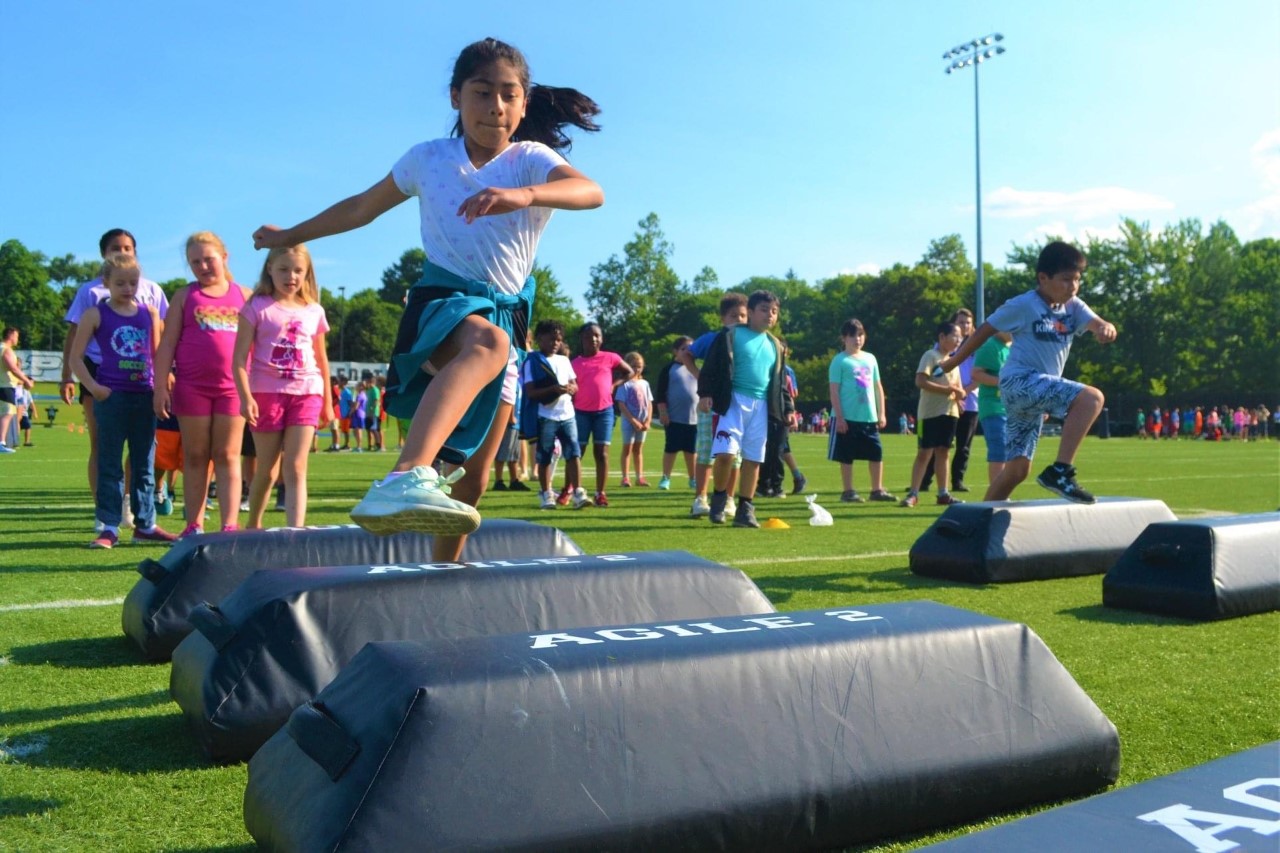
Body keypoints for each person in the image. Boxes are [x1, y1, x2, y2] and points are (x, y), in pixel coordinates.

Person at [254, 38, 602, 556]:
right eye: (482, 93)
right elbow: (360, 208)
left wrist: (524, 195)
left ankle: (443, 574)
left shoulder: (530, 160)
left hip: (508, 320)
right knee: (485, 343)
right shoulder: (429, 159)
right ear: (455, 97)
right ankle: (404, 474)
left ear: (524, 103)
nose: (496, 107)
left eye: (509, 95)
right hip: (445, 303)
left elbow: (589, 191)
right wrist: (289, 236)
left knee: (474, 478)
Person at [939, 240, 1118, 503]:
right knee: (1092, 399)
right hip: (1018, 381)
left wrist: (1105, 328)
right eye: (1066, 280)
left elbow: (1098, 322)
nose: (1073, 286)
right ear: (1043, 278)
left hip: (1032, 394)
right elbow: (985, 329)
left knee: (1017, 469)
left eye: (1077, 280)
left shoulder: (1074, 307)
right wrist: (954, 361)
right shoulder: (1025, 304)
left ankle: (978, 521)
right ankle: (1061, 471)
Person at [60, 229, 170, 522]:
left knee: (144, 457)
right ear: (106, 279)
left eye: (132, 282)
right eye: (120, 283)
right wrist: (88, 385)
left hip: (142, 388)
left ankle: (142, 517)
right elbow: (75, 347)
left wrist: (163, 382)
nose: (128, 287)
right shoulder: (93, 301)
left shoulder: (150, 303)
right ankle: (106, 515)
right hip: (105, 382)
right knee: (105, 451)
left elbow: (161, 348)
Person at [153, 231, 251, 536]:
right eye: (195, 262)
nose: (203, 266)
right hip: (191, 388)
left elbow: (259, 346)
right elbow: (167, 345)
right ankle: (193, 525)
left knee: (227, 455)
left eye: (208, 259)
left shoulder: (245, 296)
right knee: (195, 456)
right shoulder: (185, 296)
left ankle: (229, 526)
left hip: (232, 389)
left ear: (224, 257)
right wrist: (159, 388)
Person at [232, 244, 333, 528]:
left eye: (298, 270)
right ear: (270, 269)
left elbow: (322, 359)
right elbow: (239, 359)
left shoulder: (314, 310)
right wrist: (245, 397)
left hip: (307, 392)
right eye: (284, 269)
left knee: (297, 465)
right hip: (267, 393)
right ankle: (254, 523)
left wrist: (327, 402)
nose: (291, 276)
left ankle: (295, 532)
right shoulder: (256, 307)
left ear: (307, 273)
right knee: (267, 468)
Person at [697, 290, 786, 528]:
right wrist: (705, 394)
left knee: (753, 459)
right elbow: (711, 367)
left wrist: (787, 410)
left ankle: (745, 508)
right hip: (733, 403)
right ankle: (719, 499)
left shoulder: (775, 345)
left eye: (775, 311)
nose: (770, 315)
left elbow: (779, 383)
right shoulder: (731, 334)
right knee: (725, 455)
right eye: (765, 310)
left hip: (761, 407)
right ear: (752, 312)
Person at [680, 292, 748, 517]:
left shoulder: (749, 340)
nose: (739, 320)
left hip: (737, 404)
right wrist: (700, 376)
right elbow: (687, 355)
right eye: (733, 315)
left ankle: (729, 498)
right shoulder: (712, 338)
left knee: (734, 454)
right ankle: (700, 497)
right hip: (711, 403)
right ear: (723, 318)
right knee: (707, 451)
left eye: (743, 315)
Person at [522, 320, 590, 509]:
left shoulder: (564, 360)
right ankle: (546, 494)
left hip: (567, 414)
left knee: (573, 453)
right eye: (551, 339)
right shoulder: (532, 361)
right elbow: (531, 392)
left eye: (559, 340)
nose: (555, 343)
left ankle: (578, 492)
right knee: (545, 455)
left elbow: (575, 384)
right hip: (546, 415)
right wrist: (554, 389)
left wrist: (570, 388)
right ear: (540, 339)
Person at [827, 318, 895, 503]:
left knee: (876, 452)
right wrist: (839, 417)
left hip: (868, 417)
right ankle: (848, 491)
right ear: (844, 338)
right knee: (847, 455)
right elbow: (834, 390)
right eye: (852, 335)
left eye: (860, 335)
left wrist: (881, 412)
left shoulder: (870, 358)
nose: (857, 339)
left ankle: (877, 490)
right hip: (847, 417)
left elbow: (877, 386)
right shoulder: (839, 361)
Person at [900, 322, 965, 508]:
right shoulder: (930, 356)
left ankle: (943, 493)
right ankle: (913, 493)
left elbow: (957, 388)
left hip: (950, 413)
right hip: (929, 414)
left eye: (960, 337)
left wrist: (960, 396)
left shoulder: (955, 361)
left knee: (943, 453)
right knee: (924, 453)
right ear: (942, 337)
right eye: (955, 336)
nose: (959, 341)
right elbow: (920, 380)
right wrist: (948, 390)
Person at [571, 322, 631, 506]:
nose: (593, 339)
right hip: (580, 412)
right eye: (589, 336)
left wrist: (614, 385)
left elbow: (628, 371)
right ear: (582, 339)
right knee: (577, 453)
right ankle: (575, 491)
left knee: (602, 453)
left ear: (602, 338)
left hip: (604, 411)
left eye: (597, 336)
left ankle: (600, 493)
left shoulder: (610, 357)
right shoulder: (575, 362)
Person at [758, 340, 805, 498]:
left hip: (781, 412)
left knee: (780, 449)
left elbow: (791, 393)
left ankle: (779, 483)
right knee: (773, 449)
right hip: (766, 411)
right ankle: (765, 484)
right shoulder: (764, 365)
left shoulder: (786, 370)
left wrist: (790, 412)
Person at [654, 336, 698, 491]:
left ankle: (693, 479)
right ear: (675, 351)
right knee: (671, 449)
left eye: (690, 349)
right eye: (684, 349)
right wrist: (663, 412)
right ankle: (666, 477)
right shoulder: (668, 369)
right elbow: (660, 394)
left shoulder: (695, 368)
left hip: (694, 418)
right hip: (674, 418)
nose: (687, 352)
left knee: (691, 450)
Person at [972, 329, 1013, 486]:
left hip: (1010, 408)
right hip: (993, 407)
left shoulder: (1012, 348)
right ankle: (997, 495)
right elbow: (976, 374)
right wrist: (1002, 382)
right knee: (999, 451)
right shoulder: (990, 346)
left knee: (1011, 453)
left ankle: (1002, 492)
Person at [615, 351, 653, 487]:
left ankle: (639, 477)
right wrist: (633, 420)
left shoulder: (645, 383)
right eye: (634, 366)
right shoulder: (624, 384)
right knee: (628, 448)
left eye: (640, 366)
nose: (637, 369)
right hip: (629, 422)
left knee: (638, 449)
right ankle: (625, 477)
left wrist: (648, 420)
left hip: (642, 422)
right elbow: (621, 404)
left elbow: (649, 403)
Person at [0, 327, 35, 453]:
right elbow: (13, 368)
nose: (17, 339)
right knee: (7, 413)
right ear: (10, 335)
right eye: (16, 336)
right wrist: (26, 380)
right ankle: (1, 442)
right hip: (5, 385)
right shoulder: (6, 350)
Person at [363, 370, 383, 451]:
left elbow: (376, 401)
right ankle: (370, 445)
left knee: (374, 429)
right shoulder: (368, 390)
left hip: (373, 413)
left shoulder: (375, 390)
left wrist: (372, 410)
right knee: (369, 429)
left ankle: (378, 445)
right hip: (368, 413)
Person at [15, 383, 34, 447]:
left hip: (24, 413)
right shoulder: (15, 390)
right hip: (16, 412)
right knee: (17, 426)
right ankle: (15, 441)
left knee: (27, 426)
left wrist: (35, 412)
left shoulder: (26, 392)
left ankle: (26, 442)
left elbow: (31, 402)